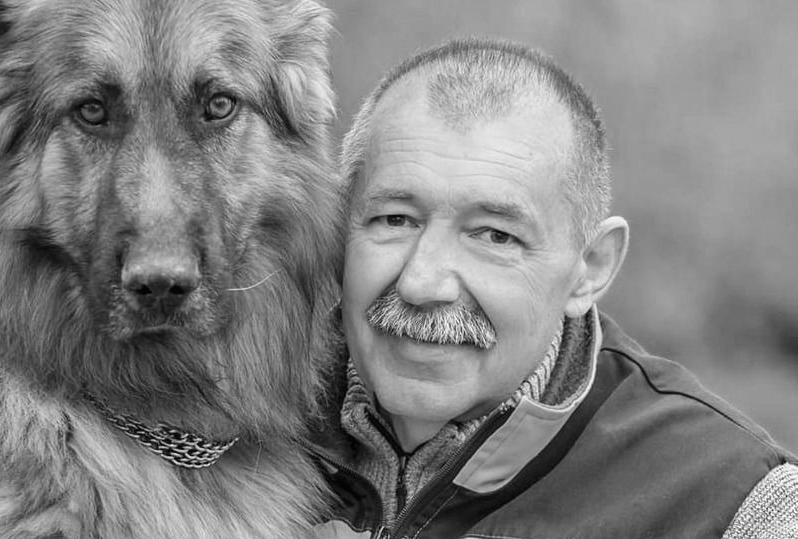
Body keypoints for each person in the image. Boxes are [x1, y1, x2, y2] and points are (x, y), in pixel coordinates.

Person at [307, 38, 798, 538]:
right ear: (335, 223)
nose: (421, 282)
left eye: (494, 235)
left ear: (592, 267)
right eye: (395, 220)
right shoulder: (261, 427)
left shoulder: (735, 503)